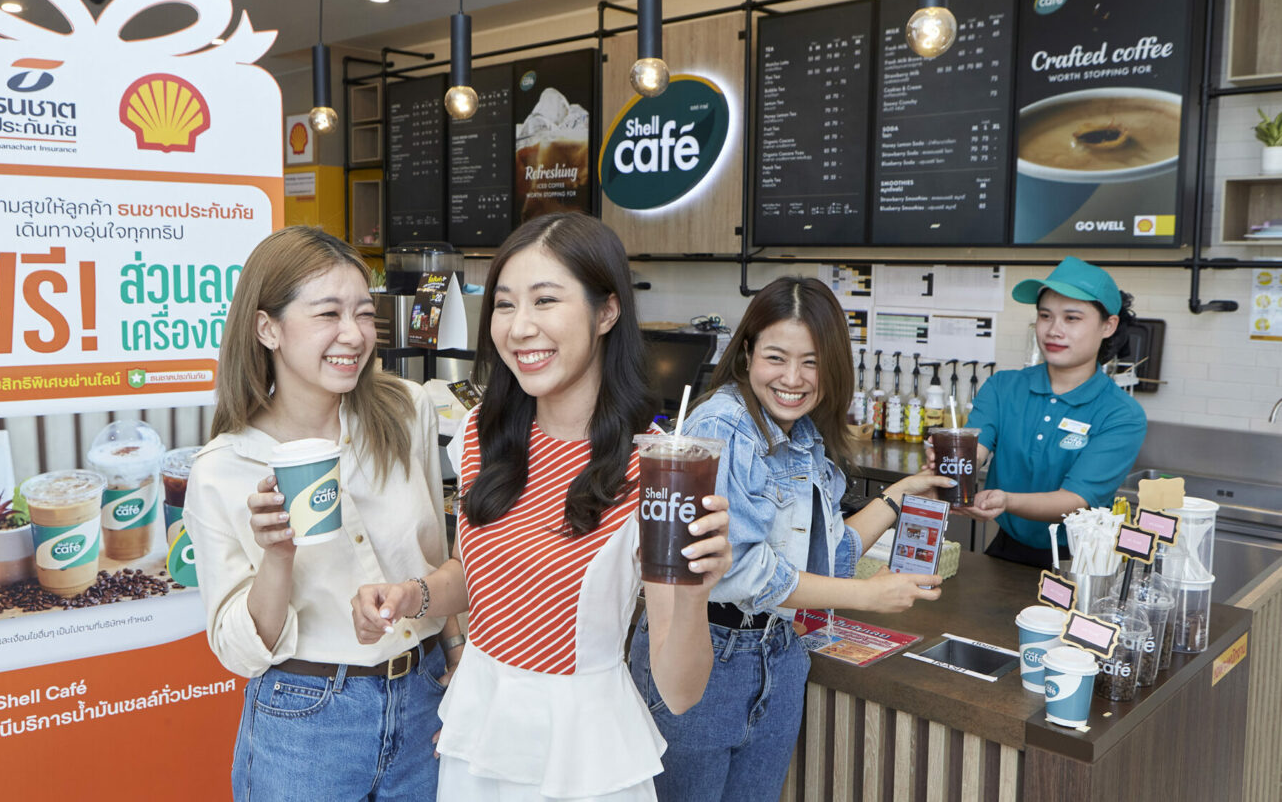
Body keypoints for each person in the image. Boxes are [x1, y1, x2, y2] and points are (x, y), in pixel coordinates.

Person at [351, 212, 733, 802]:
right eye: (505, 304)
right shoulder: (482, 433)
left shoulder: (655, 470)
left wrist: (694, 592)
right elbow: (477, 576)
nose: (520, 327)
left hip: (583, 752)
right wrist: (414, 596)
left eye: (546, 300)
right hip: (480, 732)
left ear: (606, 312)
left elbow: (680, 693)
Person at [629, 276, 953, 801]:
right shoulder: (723, 426)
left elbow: (826, 557)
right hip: (704, 653)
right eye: (776, 358)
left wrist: (900, 495)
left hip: (778, 653)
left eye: (811, 362)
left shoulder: (801, 433)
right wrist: (868, 596)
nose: (793, 379)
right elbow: (742, 572)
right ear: (747, 354)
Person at [184, 226, 462, 801]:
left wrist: (460, 661)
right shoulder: (222, 468)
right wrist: (277, 556)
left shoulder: (405, 410)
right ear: (267, 328)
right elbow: (240, 651)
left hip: (425, 697)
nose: (353, 335)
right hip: (305, 722)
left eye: (363, 313)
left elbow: (439, 555)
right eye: (328, 314)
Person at [954, 256, 1147, 566]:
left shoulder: (1121, 414)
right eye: (1045, 316)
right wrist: (952, 464)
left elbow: (1076, 500)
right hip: (1006, 547)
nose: (1054, 330)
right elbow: (974, 449)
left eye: (1072, 318)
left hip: (1080, 560)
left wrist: (1006, 500)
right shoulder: (1004, 387)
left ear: (1108, 326)